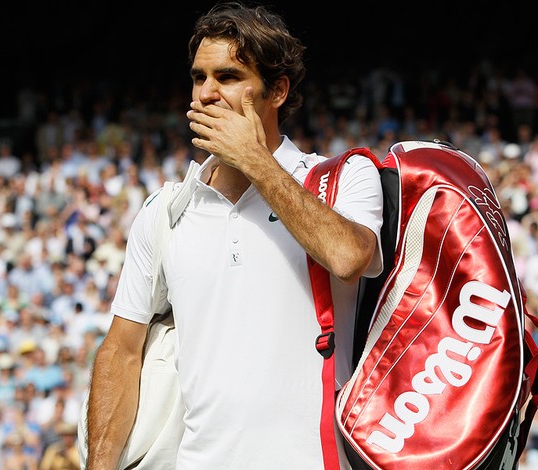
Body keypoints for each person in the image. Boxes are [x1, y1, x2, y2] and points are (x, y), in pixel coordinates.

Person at [86, 2, 383, 469]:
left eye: (227, 78)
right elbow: (121, 350)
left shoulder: (342, 177)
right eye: (198, 77)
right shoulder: (165, 210)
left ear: (277, 91)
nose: (205, 93)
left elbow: (348, 257)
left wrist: (255, 161)